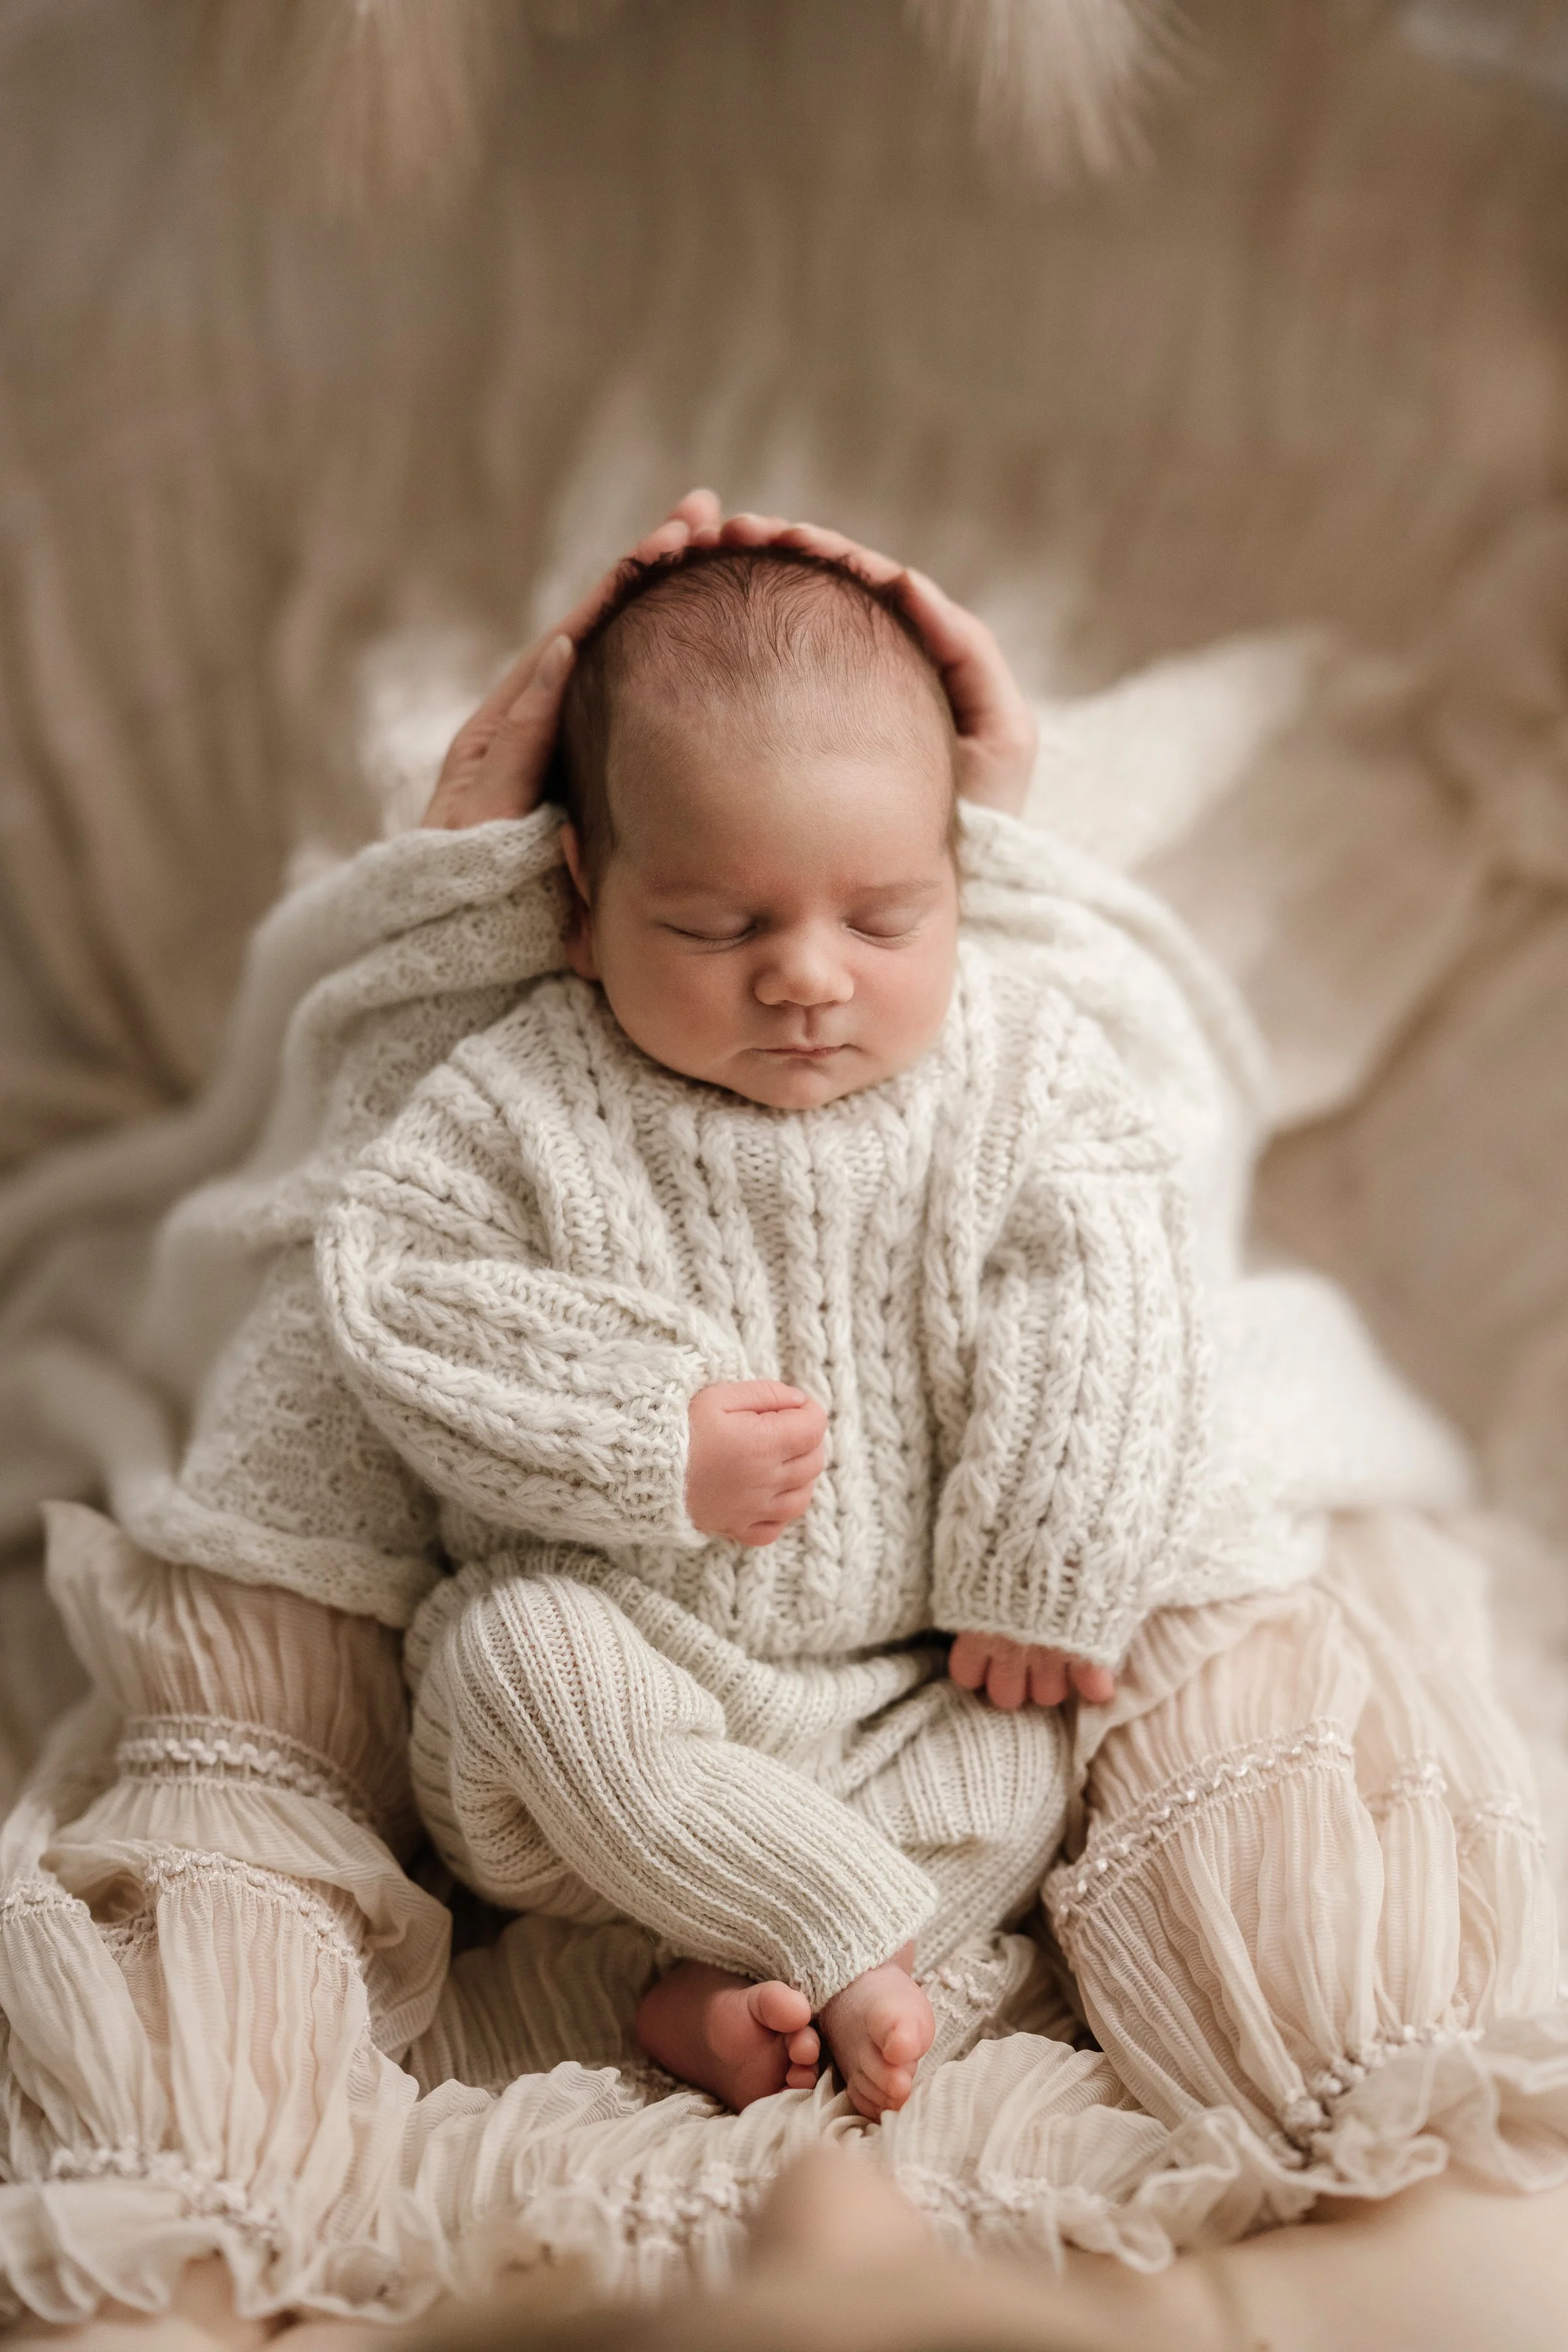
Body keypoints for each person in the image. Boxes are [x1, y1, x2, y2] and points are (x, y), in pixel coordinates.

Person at [5, 495, 1567, 2350]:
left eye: (881, 913)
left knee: (1034, 1748)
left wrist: (1038, 1567)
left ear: (960, 885)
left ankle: (709, 1988)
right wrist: (644, 1441)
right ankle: (832, 1939)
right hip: (628, 1685)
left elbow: (1108, 1281)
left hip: (919, 1683)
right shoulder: (518, 1094)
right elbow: (398, 1293)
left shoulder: (1015, 1064)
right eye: (722, 919)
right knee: (516, 1655)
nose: (808, 973)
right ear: (579, 909)